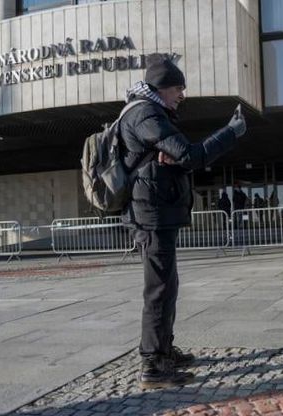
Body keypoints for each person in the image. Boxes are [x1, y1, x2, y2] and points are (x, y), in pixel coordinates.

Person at [120, 54, 247, 388]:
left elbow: (176, 158)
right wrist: (231, 133)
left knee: (167, 284)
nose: (182, 95)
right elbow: (191, 155)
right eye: (178, 88)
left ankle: (164, 349)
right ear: (161, 88)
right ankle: (153, 366)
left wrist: (172, 160)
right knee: (158, 289)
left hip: (157, 211)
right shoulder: (145, 113)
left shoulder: (151, 112)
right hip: (151, 215)